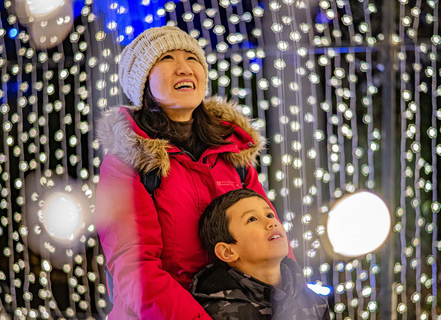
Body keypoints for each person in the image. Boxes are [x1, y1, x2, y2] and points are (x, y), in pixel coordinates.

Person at [94, 26, 294, 319]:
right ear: (142, 82)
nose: (183, 68)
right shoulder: (127, 164)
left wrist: (293, 301)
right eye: (166, 59)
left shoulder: (232, 152)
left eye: (192, 58)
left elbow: (272, 239)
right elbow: (135, 270)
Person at [192, 188, 330, 320]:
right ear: (228, 251)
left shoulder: (317, 304)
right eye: (252, 219)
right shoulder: (218, 312)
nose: (271, 222)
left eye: (270, 215)